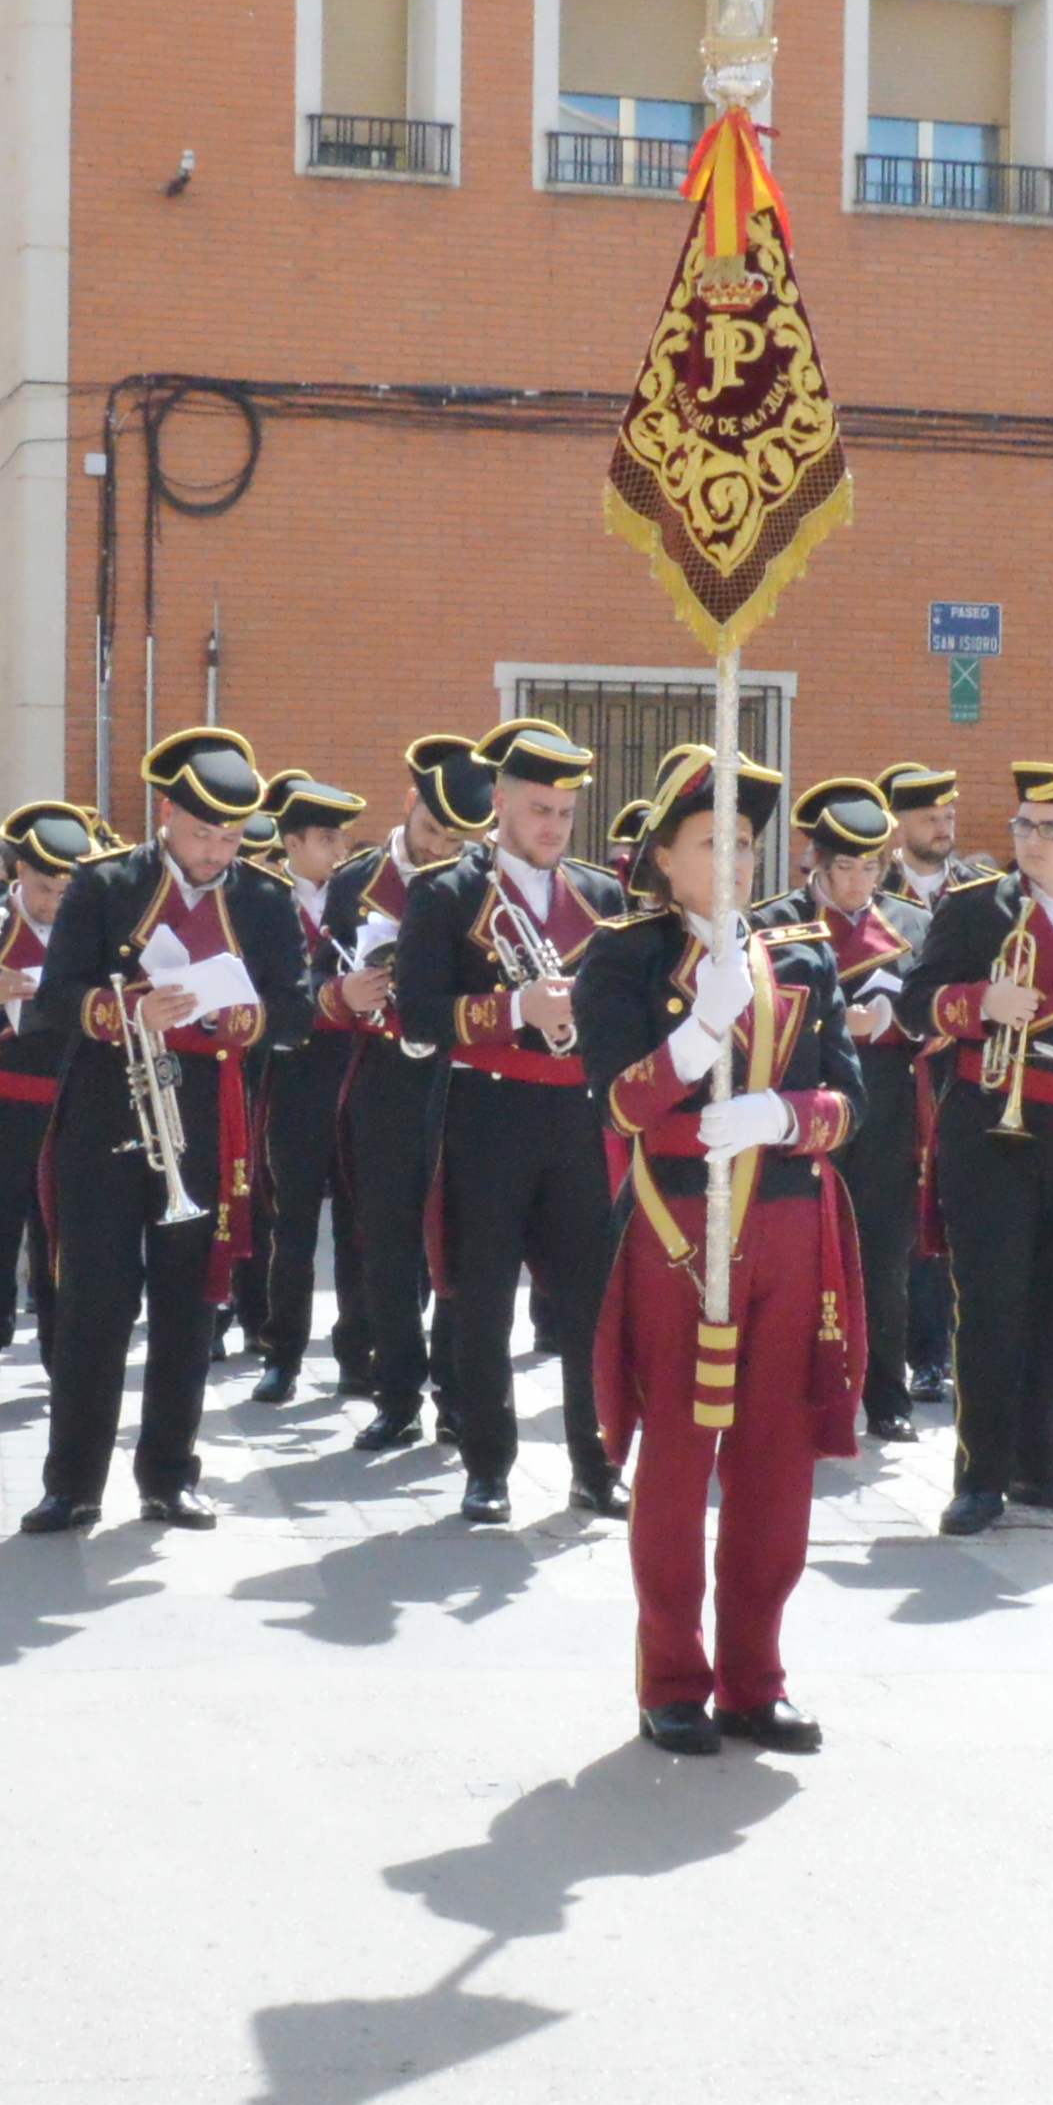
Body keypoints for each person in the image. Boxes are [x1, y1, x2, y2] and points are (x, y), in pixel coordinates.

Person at [573, 749, 860, 1755]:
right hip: (679, 1231)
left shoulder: (804, 952)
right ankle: (671, 1678)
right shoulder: (626, 955)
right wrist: (698, 1035)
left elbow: (847, 1102)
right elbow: (614, 1100)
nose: (734, 859)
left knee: (776, 1461)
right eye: (710, 842)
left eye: (743, 841)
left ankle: (755, 1676)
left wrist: (781, 1111)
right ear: (663, 856)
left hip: (785, 1220)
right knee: (680, 1455)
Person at [20, 728, 321, 1535]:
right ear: (165, 813)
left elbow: (295, 1008)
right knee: (94, 1302)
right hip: (106, 1109)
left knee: (191, 1307)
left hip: (207, 1115)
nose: (216, 852)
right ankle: (73, 1482)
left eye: (229, 838)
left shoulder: (261, 898)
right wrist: (126, 1010)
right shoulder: (104, 883)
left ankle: (170, 1476)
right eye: (201, 834)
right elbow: (53, 1000)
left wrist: (237, 1011)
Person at [391, 716, 624, 1527]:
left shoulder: (602, 895)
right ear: (498, 804)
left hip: (577, 1116)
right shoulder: (446, 893)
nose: (552, 827)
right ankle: (487, 1466)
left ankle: (597, 1466)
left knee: (591, 1299)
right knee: (483, 1294)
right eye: (537, 810)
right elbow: (414, 1018)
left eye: (563, 813)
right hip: (487, 1108)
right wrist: (509, 1008)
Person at [904, 762, 1053, 1535]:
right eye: (1023, 825)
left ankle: (1042, 1464)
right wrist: (978, 1003)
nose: (1031, 841)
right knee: (991, 1305)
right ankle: (980, 1475)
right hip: (992, 1131)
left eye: (1050, 828)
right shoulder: (976, 907)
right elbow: (914, 1002)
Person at [329, 734, 482, 1447]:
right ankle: (396, 1394)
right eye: (430, 831)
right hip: (383, 1074)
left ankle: (455, 1393)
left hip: (460, 1076)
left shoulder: (479, 884)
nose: (440, 849)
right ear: (409, 804)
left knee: (457, 1233)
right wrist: (341, 992)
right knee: (386, 1240)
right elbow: (303, 982)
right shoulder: (353, 879)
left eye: (456, 838)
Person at [0, 804, 100, 1403]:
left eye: (65, 889)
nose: (53, 902)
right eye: (41, 887)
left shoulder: (90, 926)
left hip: (69, 1102)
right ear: (17, 873)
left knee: (62, 1240)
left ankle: (64, 1361)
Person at [790, 775, 929, 1450]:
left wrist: (896, 1016)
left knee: (883, 1257)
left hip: (886, 1106)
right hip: (806, 1102)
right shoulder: (779, 922)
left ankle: (886, 1395)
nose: (858, 883)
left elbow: (935, 1008)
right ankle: (797, 1390)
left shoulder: (910, 924)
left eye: (871, 866)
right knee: (797, 1250)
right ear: (818, 862)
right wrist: (836, 1020)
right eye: (845, 866)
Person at [241, 775, 368, 1408]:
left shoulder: (363, 895)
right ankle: (282, 1353)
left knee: (356, 1220)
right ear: (290, 842)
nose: (337, 849)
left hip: (354, 1069)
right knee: (290, 1222)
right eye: (323, 838)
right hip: (291, 1072)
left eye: (340, 837)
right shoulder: (261, 898)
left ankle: (355, 1353)